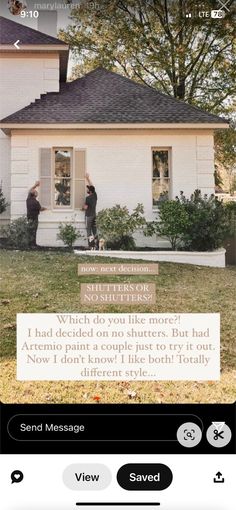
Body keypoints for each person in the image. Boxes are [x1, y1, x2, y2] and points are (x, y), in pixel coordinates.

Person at [26, 181, 46, 247]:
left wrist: (35, 185)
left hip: (29, 217)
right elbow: (40, 209)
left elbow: (30, 191)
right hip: (34, 218)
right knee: (34, 230)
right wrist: (46, 208)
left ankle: (30, 244)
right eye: (36, 192)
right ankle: (33, 244)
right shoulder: (36, 202)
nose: (37, 192)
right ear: (35, 195)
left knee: (30, 230)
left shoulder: (28, 199)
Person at [83, 173, 98, 242]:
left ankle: (91, 245)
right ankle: (97, 244)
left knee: (88, 229)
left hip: (89, 216)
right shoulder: (95, 195)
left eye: (88, 189)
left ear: (90, 191)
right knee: (94, 229)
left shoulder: (88, 198)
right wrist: (88, 178)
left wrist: (82, 207)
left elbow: (85, 208)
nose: (87, 189)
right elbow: (92, 186)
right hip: (94, 215)